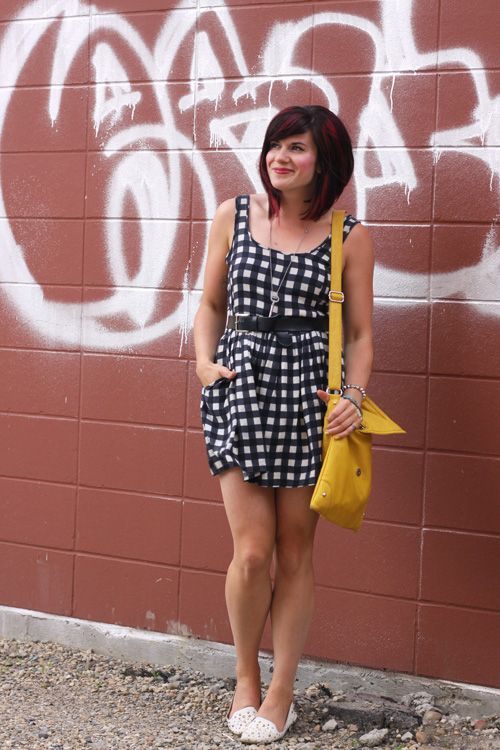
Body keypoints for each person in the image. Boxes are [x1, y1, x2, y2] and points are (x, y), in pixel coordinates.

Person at [193, 105, 374, 744]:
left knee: (295, 551)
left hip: (308, 402)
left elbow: (361, 334)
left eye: (296, 147)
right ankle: (245, 679)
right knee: (251, 551)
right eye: (275, 145)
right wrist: (204, 365)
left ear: (325, 161)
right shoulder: (233, 215)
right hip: (239, 390)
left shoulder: (348, 235)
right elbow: (210, 303)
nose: (280, 157)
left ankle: (282, 691)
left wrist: (353, 397)